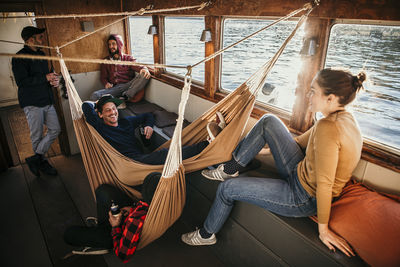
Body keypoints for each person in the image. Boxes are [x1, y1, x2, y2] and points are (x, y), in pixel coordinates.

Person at [181, 68, 365, 258]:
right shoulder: (343, 119)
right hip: (299, 171)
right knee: (269, 121)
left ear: (331, 98)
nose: (308, 95)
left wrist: (323, 230)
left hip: (303, 196)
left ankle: (206, 234)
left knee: (226, 189)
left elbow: (325, 184)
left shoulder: (329, 127)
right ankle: (231, 167)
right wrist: (258, 150)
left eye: (313, 91)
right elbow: (297, 143)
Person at [82, 94, 224, 165]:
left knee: (173, 147)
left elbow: (148, 115)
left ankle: (207, 141)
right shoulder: (100, 126)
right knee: (164, 154)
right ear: (100, 114)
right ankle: (208, 144)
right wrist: (98, 102)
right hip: (129, 164)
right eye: (107, 110)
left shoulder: (126, 122)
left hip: (140, 159)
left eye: (114, 108)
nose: (113, 112)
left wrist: (149, 125)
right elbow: (85, 106)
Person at [63, 178, 156, 262]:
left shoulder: (135, 220)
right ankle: (101, 229)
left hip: (119, 233)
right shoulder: (157, 200)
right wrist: (131, 209)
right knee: (102, 191)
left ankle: (105, 242)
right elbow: (143, 205)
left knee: (68, 234)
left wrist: (115, 226)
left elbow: (123, 255)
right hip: (132, 212)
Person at [11, 26, 61, 176]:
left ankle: (36, 158)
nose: (42, 40)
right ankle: (42, 161)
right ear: (30, 40)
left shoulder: (42, 54)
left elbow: (47, 75)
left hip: (47, 99)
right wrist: (44, 78)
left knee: (55, 129)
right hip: (32, 102)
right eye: (40, 37)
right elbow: (22, 81)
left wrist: (53, 80)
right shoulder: (19, 57)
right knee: (37, 135)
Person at [89, 34, 151, 102]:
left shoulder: (128, 58)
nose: (111, 46)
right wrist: (106, 83)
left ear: (119, 44)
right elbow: (103, 77)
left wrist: (144, 68)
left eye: (113, 44)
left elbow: (137, 66)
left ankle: (126, 96)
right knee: (95, 95)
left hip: (129, 85)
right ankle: (121, 99)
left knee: (145, 75)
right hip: (115, 88)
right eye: (109, 44)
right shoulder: (105, 61)